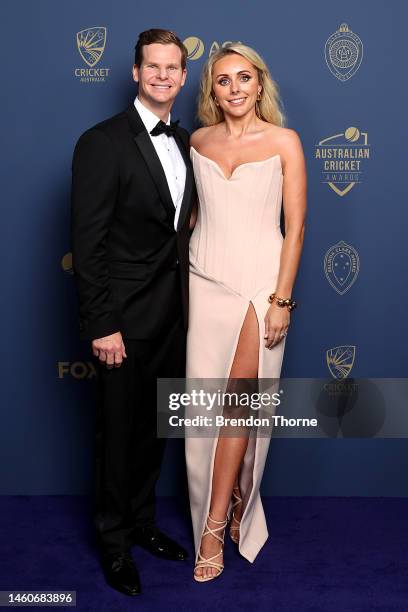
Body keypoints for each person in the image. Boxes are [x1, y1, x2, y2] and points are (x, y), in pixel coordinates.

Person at [71, 29, 195, 596]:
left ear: (183, 76)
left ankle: (143, 523)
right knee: (118, 436)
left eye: (173, 68)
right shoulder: (101, 142)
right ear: (135, 73)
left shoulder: (187, 140)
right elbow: (89, 242)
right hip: (121, 323)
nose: (163, 76)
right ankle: (115, 544)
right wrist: (103, 324)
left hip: (173, 319)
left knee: (153, 434)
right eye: (153, 67)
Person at [185, 43, 307, 581]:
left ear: (260, 84)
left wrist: (281, 300)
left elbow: (295, 227)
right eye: (222, 81)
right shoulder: (197, 141)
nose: (234, 89)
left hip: (260, 290)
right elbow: (192, 218)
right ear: (211, 90)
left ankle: (213, 526)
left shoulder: (284, 141)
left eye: (243, 78)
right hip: (203, 284)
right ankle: (230, 501)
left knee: (237, 401)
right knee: (206, 408)